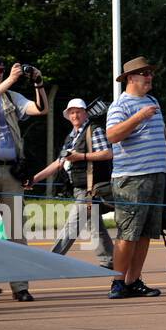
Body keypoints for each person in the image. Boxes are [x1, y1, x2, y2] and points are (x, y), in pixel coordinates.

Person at [105, 57, 166, 299]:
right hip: (131, 178)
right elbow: (113, 135)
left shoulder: (152, 101)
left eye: (150, 73)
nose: (149, 77)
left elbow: (164, 133)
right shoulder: (120, 105)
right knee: (128, 233)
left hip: (155, 175)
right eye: (144, 73)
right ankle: (117, 282)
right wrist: (139, 117)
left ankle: (133, 280)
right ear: (130, 78)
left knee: (146, 232)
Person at [25, 97, 114, 270]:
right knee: (94, 225)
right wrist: (34, 179)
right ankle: (109, 260)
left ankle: (50, 261)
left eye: (78, 111)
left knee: (72, 226)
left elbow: (107, 153)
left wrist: (80, 157)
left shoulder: (94, 131)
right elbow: (59, 163)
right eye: (71, 112)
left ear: (85, 113)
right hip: (81, 188)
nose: (74, 115)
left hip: (91, 189)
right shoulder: (71, 136)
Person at [0, 60, 48, 301]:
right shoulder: (4, 88)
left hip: (10, 171)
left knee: (16, 229)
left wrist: (38, 83)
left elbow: (40, 109)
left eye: (0, 71)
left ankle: (20, 285)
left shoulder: (11, 96)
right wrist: (10, 80)